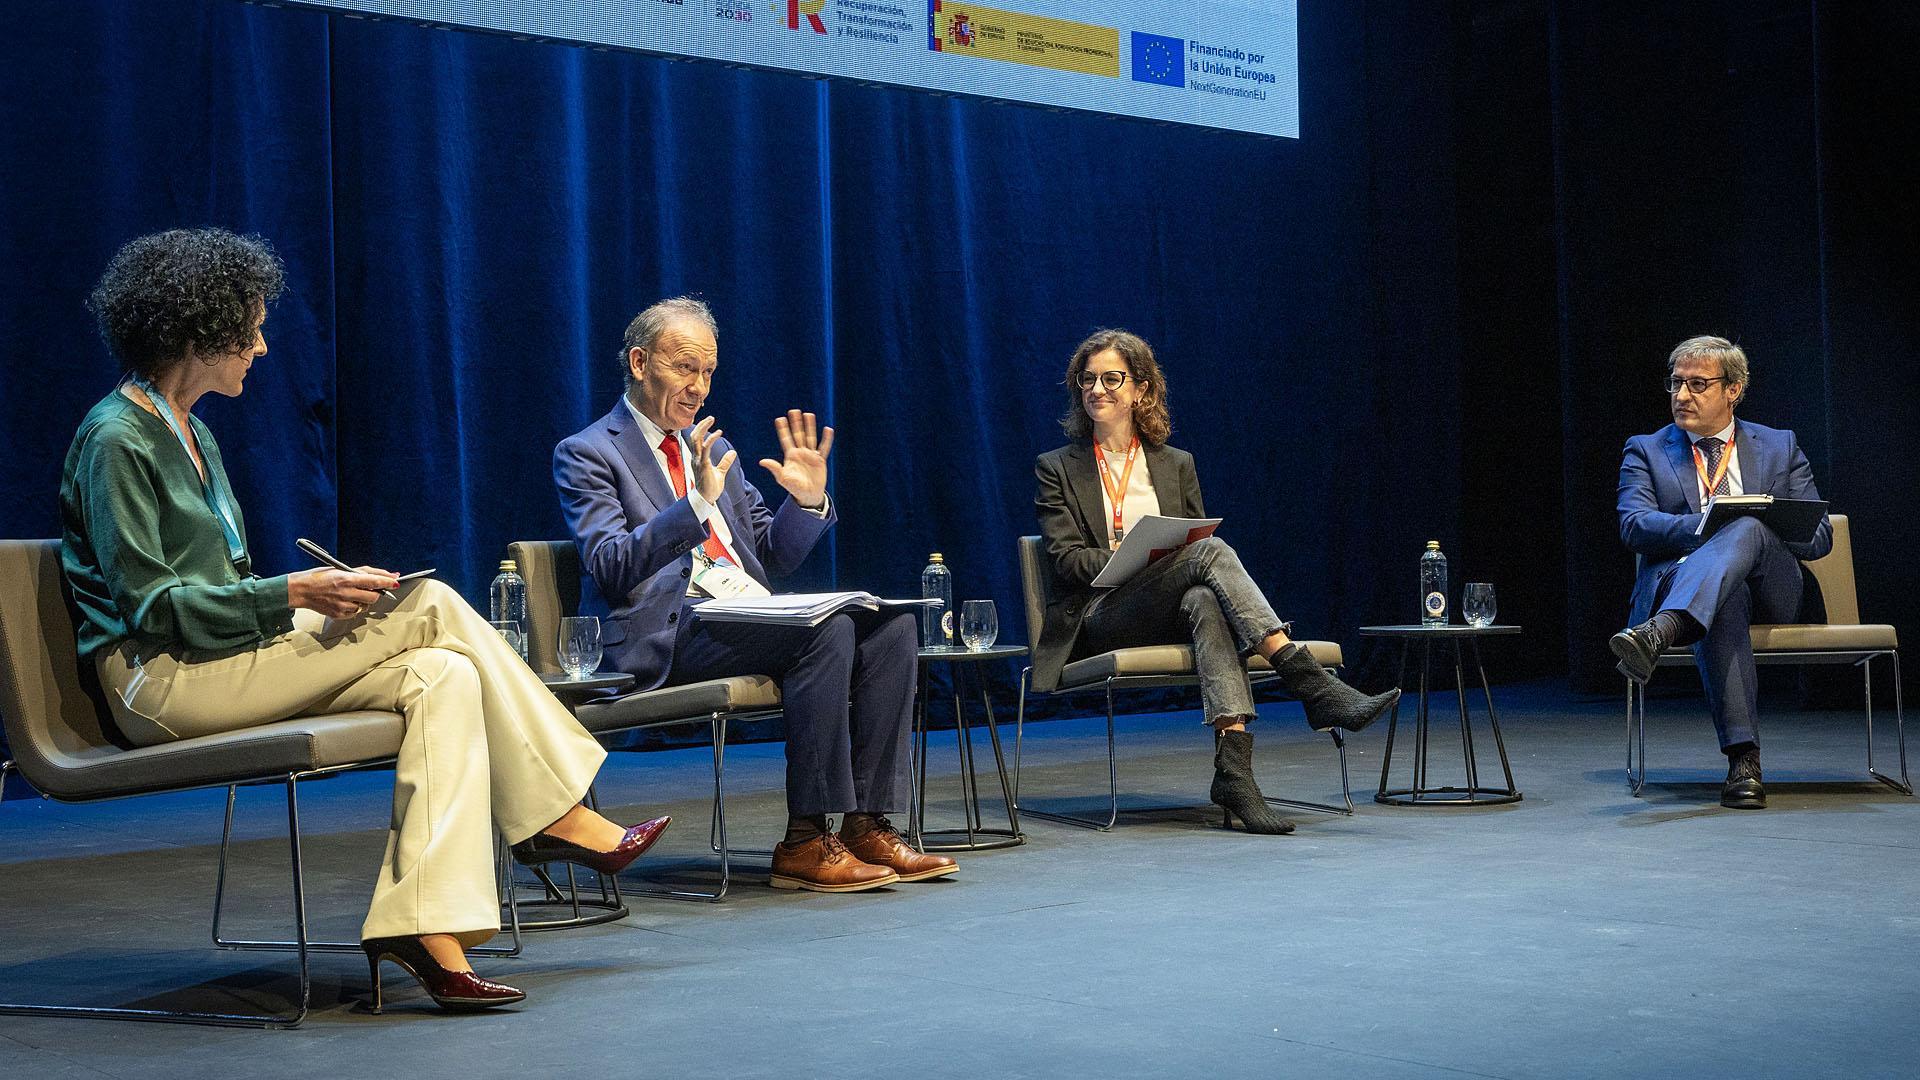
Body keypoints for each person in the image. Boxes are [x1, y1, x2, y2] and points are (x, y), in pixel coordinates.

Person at [62, 228, 670, 1013]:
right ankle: (555, 815)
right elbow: (155, 609)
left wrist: (302, 602)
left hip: (224, 659)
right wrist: (294, 596)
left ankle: (425, 929)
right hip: (160, 683)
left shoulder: (195, 432)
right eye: (249, 329)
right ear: (197, 330)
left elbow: (225, 586)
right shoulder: (115, 439)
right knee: (428, 604)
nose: (263, 346)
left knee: (442, 674)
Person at [553, 297, 954, 892]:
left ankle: (867, 822)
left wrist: (807, 501)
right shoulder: (589, 451)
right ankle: (805, 840)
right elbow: (611, 566)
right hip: (668, 632)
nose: (699, 387)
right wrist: (695, 506)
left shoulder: (714, 450)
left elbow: (769, 557)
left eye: (709, 372)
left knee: (890, 627)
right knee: (829, 629)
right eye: (685, 368)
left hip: (743, 614)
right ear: (639, 363)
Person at [1032, 329, 1400, 834]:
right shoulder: (1056, 467)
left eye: (1112, 378)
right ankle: (1309, 682)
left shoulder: (1175, 464)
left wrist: (1163, 558)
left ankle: (1235, 775)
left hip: (1168, 609)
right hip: (1101, 615)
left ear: (1140, 388)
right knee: (1208, 554)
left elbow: (1192, 548)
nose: (1098, 389)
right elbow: (1066, 562)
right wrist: (1127, 555)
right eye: (1087, 379)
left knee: (1205, 595)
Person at [1610, 336, 1832, 809]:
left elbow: (1819, 539)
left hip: (1774, 587)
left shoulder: (1779, 446)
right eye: (1676, 384)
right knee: (1723, 596)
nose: (1682, 395)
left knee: (1749, 525)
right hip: (1686, 582)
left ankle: (1662, 630)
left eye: (1697, 384)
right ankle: (1743, 763)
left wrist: (1753, 522)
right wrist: (1709, 524)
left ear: (1734, 389)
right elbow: (1633, 526)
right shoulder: (1646, 450)